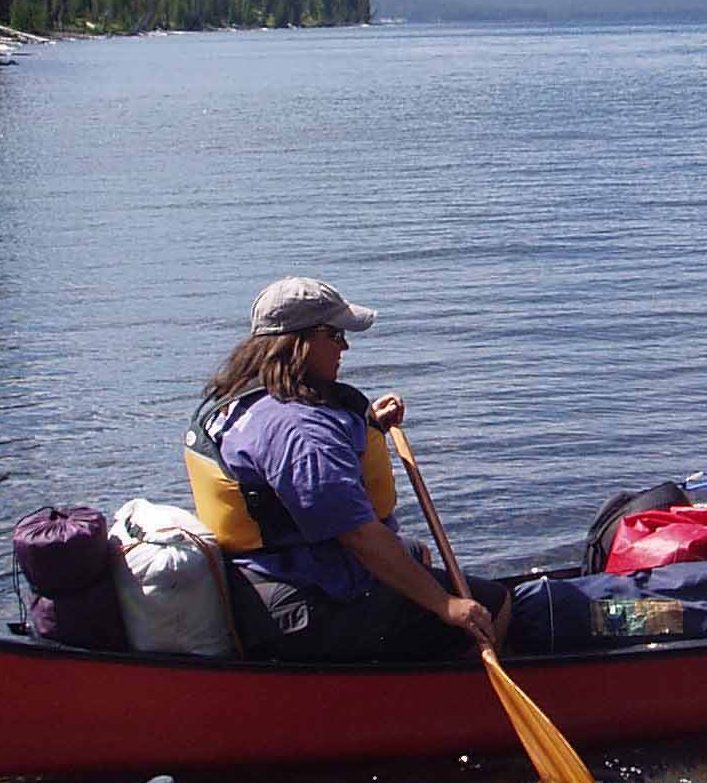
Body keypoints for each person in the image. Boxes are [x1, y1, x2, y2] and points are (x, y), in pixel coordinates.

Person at [182, 275, 509, 661]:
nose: (345, 346)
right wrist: (447, 606)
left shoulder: (241, 401)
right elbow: (360, 537)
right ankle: (448, 704)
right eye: (335, 335)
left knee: (416, 553)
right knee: (492, 603)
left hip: (260, 585)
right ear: (300, 342)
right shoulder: (298, 431)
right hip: (306, 608)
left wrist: (368, 425)